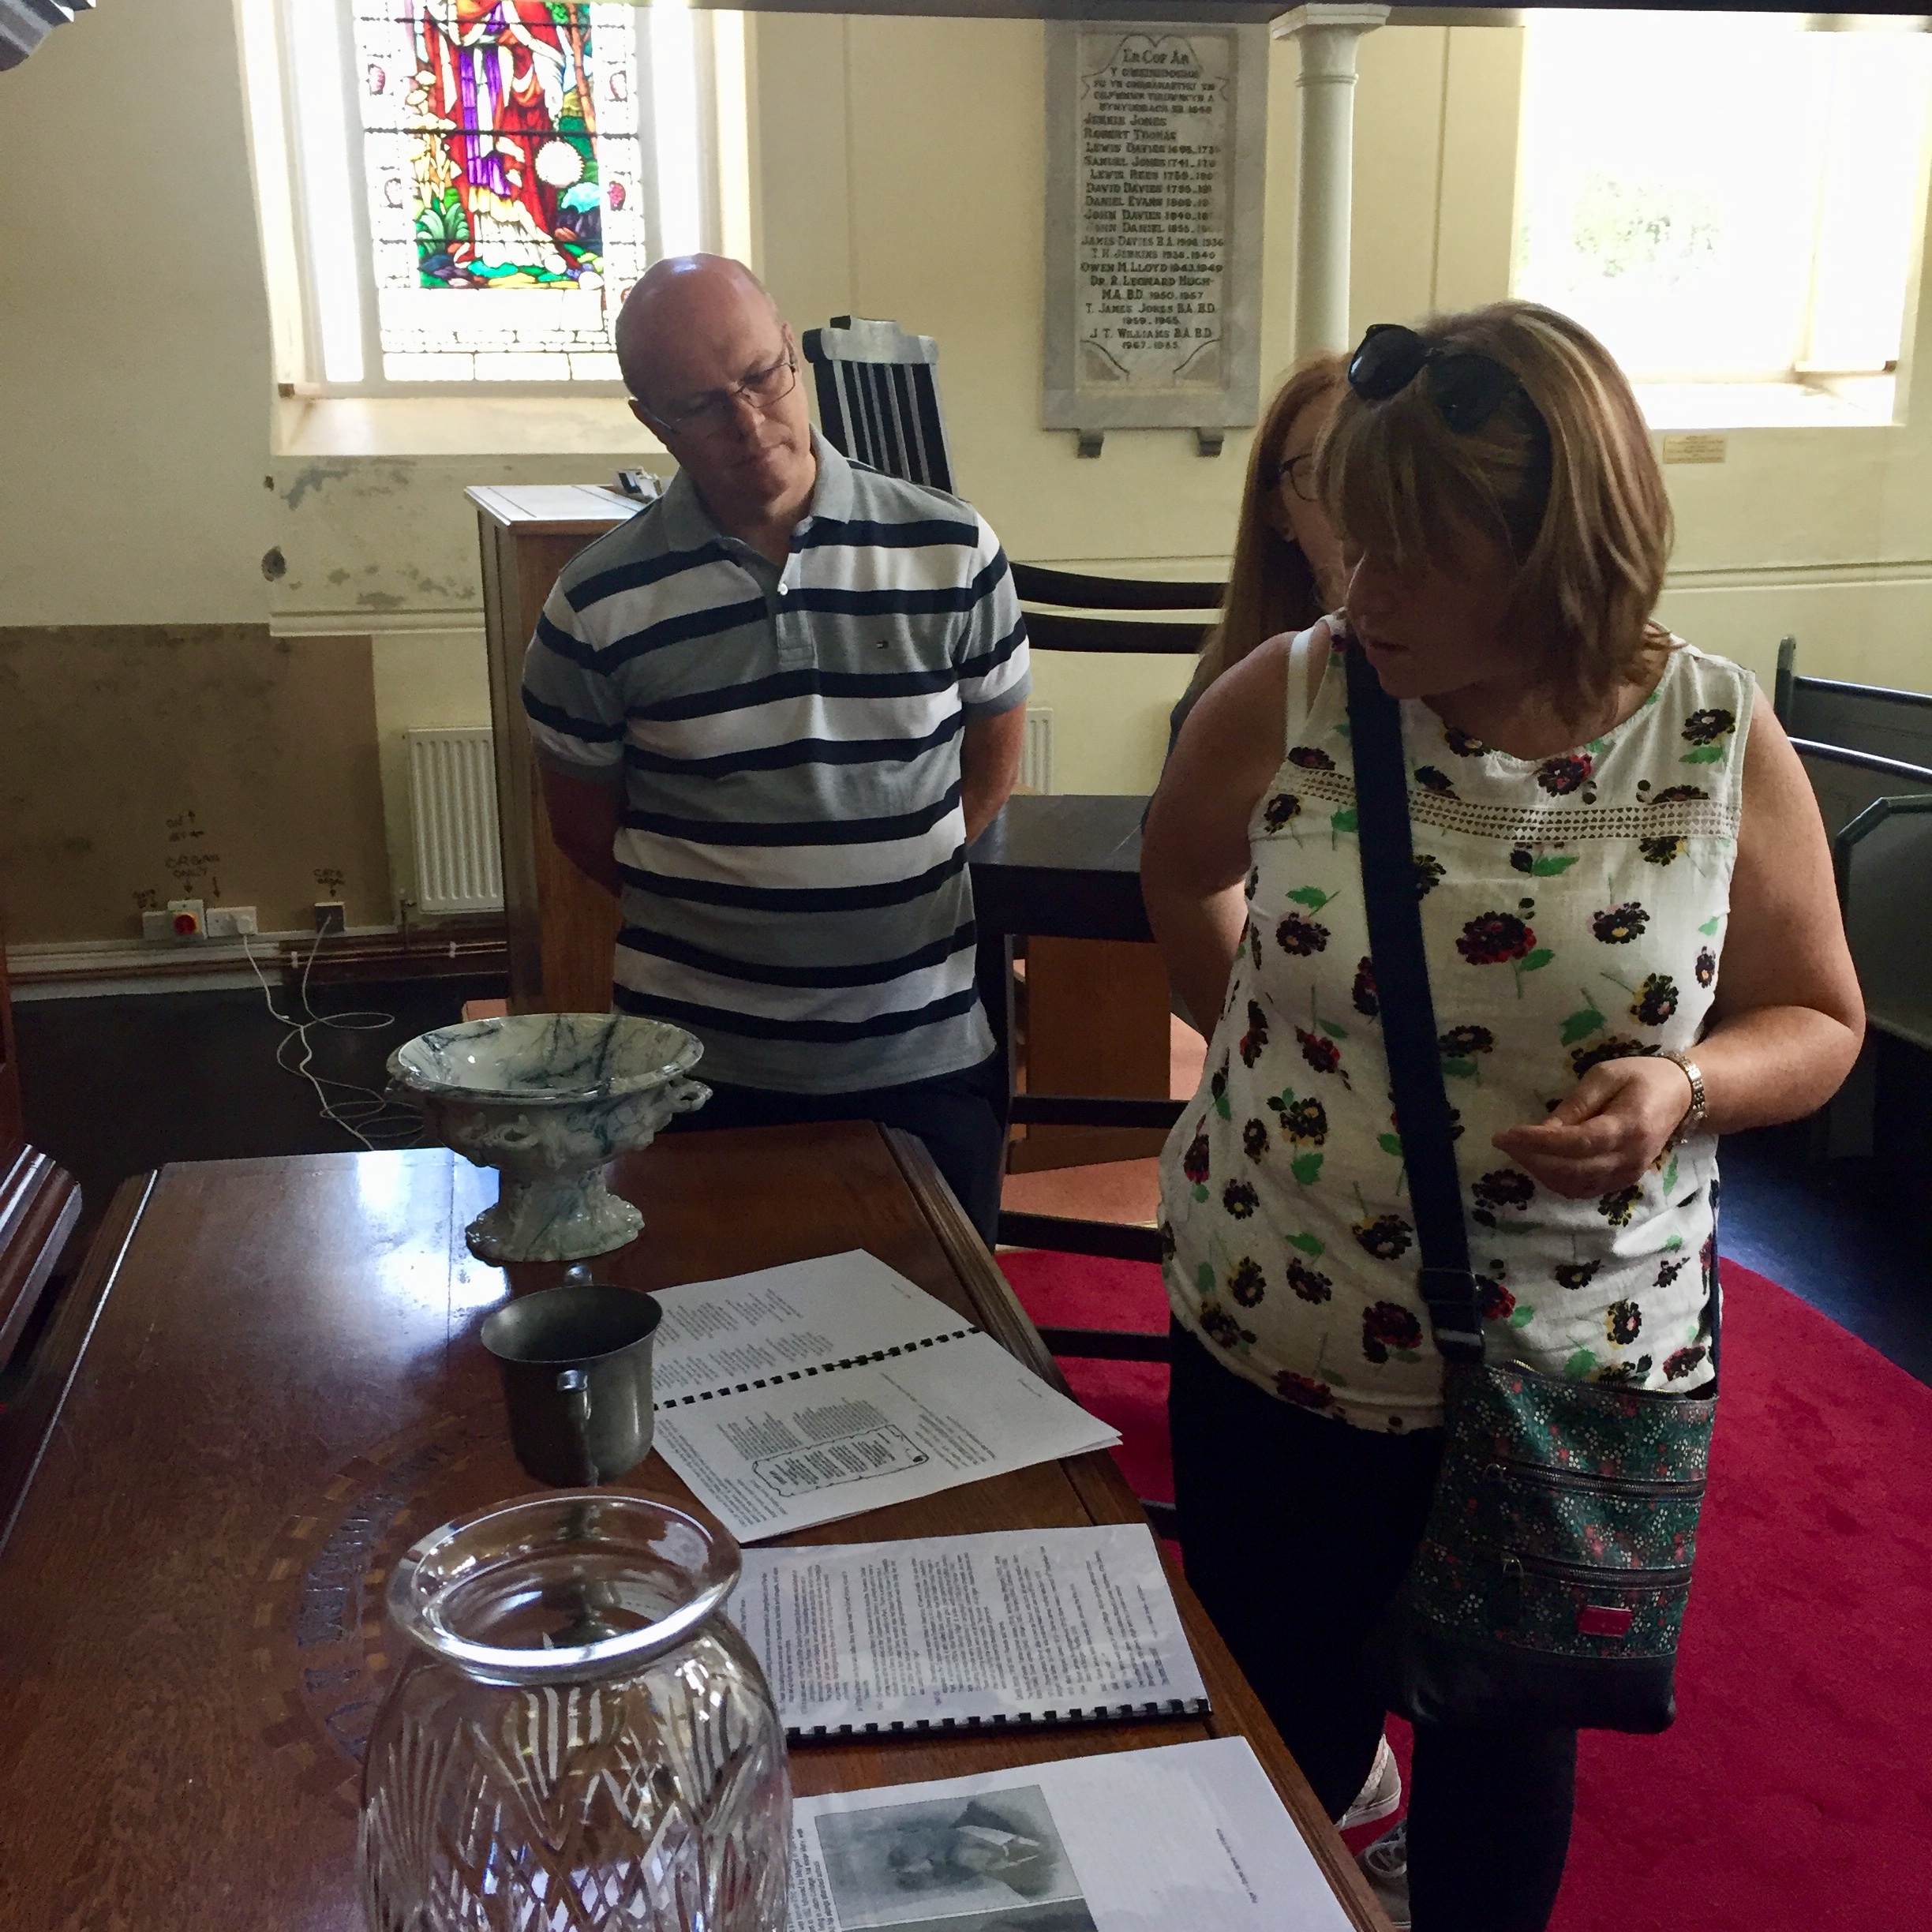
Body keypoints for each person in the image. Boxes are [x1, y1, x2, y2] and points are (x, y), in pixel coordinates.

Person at [1142, 301, 1863, 1932]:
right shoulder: (1298, 690)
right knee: (1278, 1742)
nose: (1363, 592)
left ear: (1557, 554)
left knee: (1503, 1760)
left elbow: (1819, 1020)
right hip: (1284, 1335)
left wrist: (1685, 1086)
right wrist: (1264, 1039)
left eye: (1417, 558)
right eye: (1356, 543)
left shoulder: (1711, 732)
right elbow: (1181, 869)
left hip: (1565, 1370)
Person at [522, 255, 1029, 1244]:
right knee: (711, 1323)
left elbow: (990, 766)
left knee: (943, 1324)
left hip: (918, 1055)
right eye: (702, 406)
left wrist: (882, 882)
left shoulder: (953, 550)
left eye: (762, 377)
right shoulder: (595, 603)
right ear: (653, 423)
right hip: (693, 1069)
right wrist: (740, 909)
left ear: (793, 355)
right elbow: (586, 831)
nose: (750, 423)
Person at [1166, 352, 1347, 755]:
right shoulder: (1234, 686)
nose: (1349, 495)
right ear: (1280, 513)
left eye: (1374, 464)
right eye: (1318, 469)